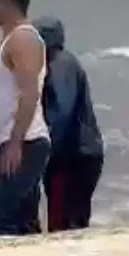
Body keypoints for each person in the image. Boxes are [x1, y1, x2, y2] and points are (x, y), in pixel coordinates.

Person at [0, 0, 52, 236]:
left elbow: (29, 93)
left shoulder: (24, 40)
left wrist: (16, 143)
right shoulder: (10, 41)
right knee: (20, 221)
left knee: (1, 221)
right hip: (12, 141)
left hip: (27, 142)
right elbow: (5, 100)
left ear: (7, 2)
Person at [35, 17, 104, 231]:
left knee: (64, 223)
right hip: (82, 153)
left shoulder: (59, 65)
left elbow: (61, 110)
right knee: (72, 219)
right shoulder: (63, 62)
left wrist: (45, 149)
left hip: (72, 157)